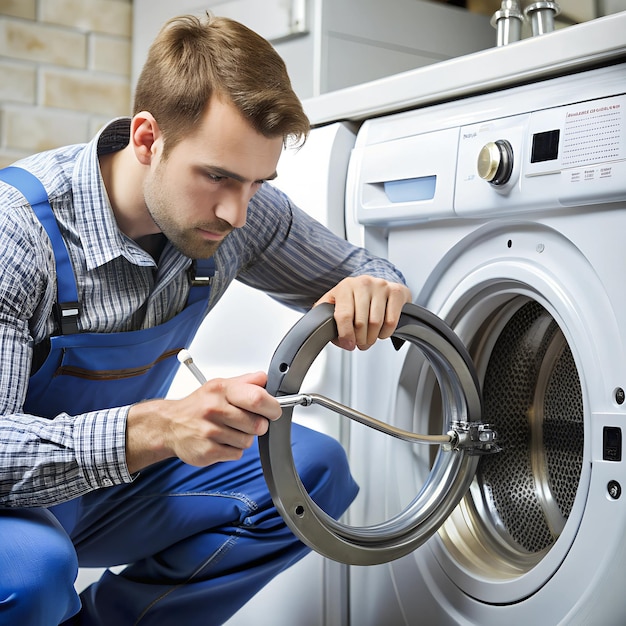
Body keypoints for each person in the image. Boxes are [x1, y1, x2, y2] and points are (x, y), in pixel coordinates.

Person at [0, 13, 411, 626]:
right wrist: (162, 427)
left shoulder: (236, 213)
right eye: (216, 176)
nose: (238, 214)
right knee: (32, 575)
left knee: (311, 474)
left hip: (111, 489)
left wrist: (377, 290)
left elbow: (365, 268)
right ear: (146, 139)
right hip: (15, 501)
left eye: (255, 182)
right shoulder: (18, 233)